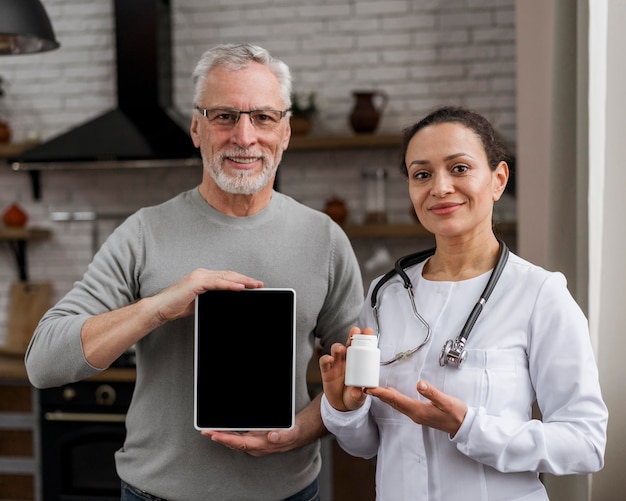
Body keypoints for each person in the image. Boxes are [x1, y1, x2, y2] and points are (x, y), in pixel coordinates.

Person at [25, 43, 364, 501]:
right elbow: (43, 362)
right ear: (196, 128)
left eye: (263, 117)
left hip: (287, 493)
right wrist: (160, 307)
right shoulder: (142, 233)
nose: (244, 137)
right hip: (154, 495)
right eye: (224, 116)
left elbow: (359, 380)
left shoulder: (324, 240)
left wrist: (298, 431)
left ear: (284, 132)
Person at [319, 106, 608, 500]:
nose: (439, 188)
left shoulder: (540, 294)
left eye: (459, 168)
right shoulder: (385, 295)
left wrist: (468, 426)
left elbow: (586, 443)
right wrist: (345, 408)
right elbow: (366, 446)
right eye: (422, 174)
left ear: (498, 180)